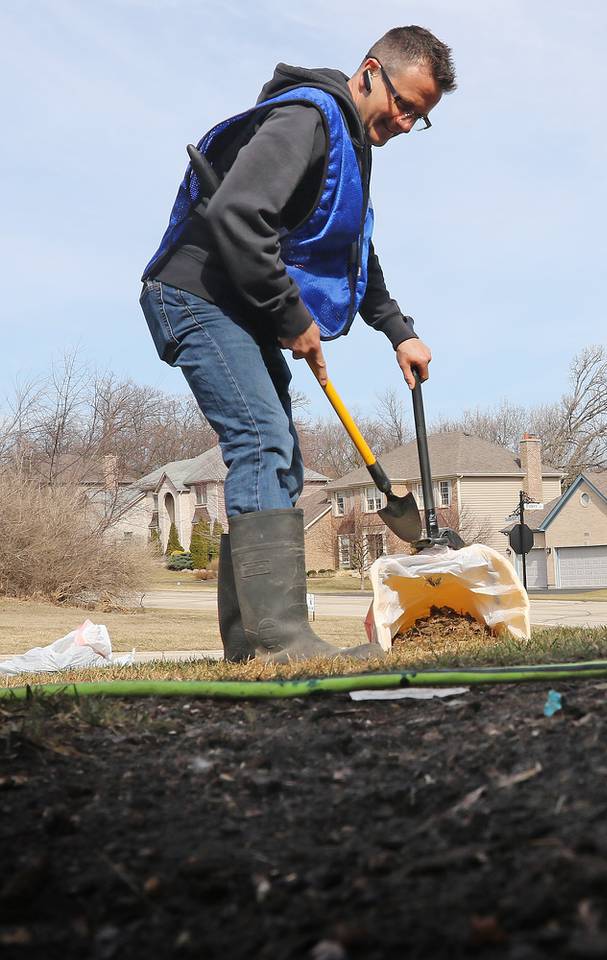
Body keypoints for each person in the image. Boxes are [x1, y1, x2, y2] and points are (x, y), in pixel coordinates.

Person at [139, 26, 456, 663]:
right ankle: (280, 642)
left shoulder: (350, 148)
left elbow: (352, 252)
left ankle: (248, 646)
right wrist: (290, 315)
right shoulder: (307, 118)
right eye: (403, 104)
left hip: (241, 307)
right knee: (261, 440)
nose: (404, 123)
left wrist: (399, 330)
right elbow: (238, 212)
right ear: (370, 72)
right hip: (197, 295)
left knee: (280, 459)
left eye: (418, 118)